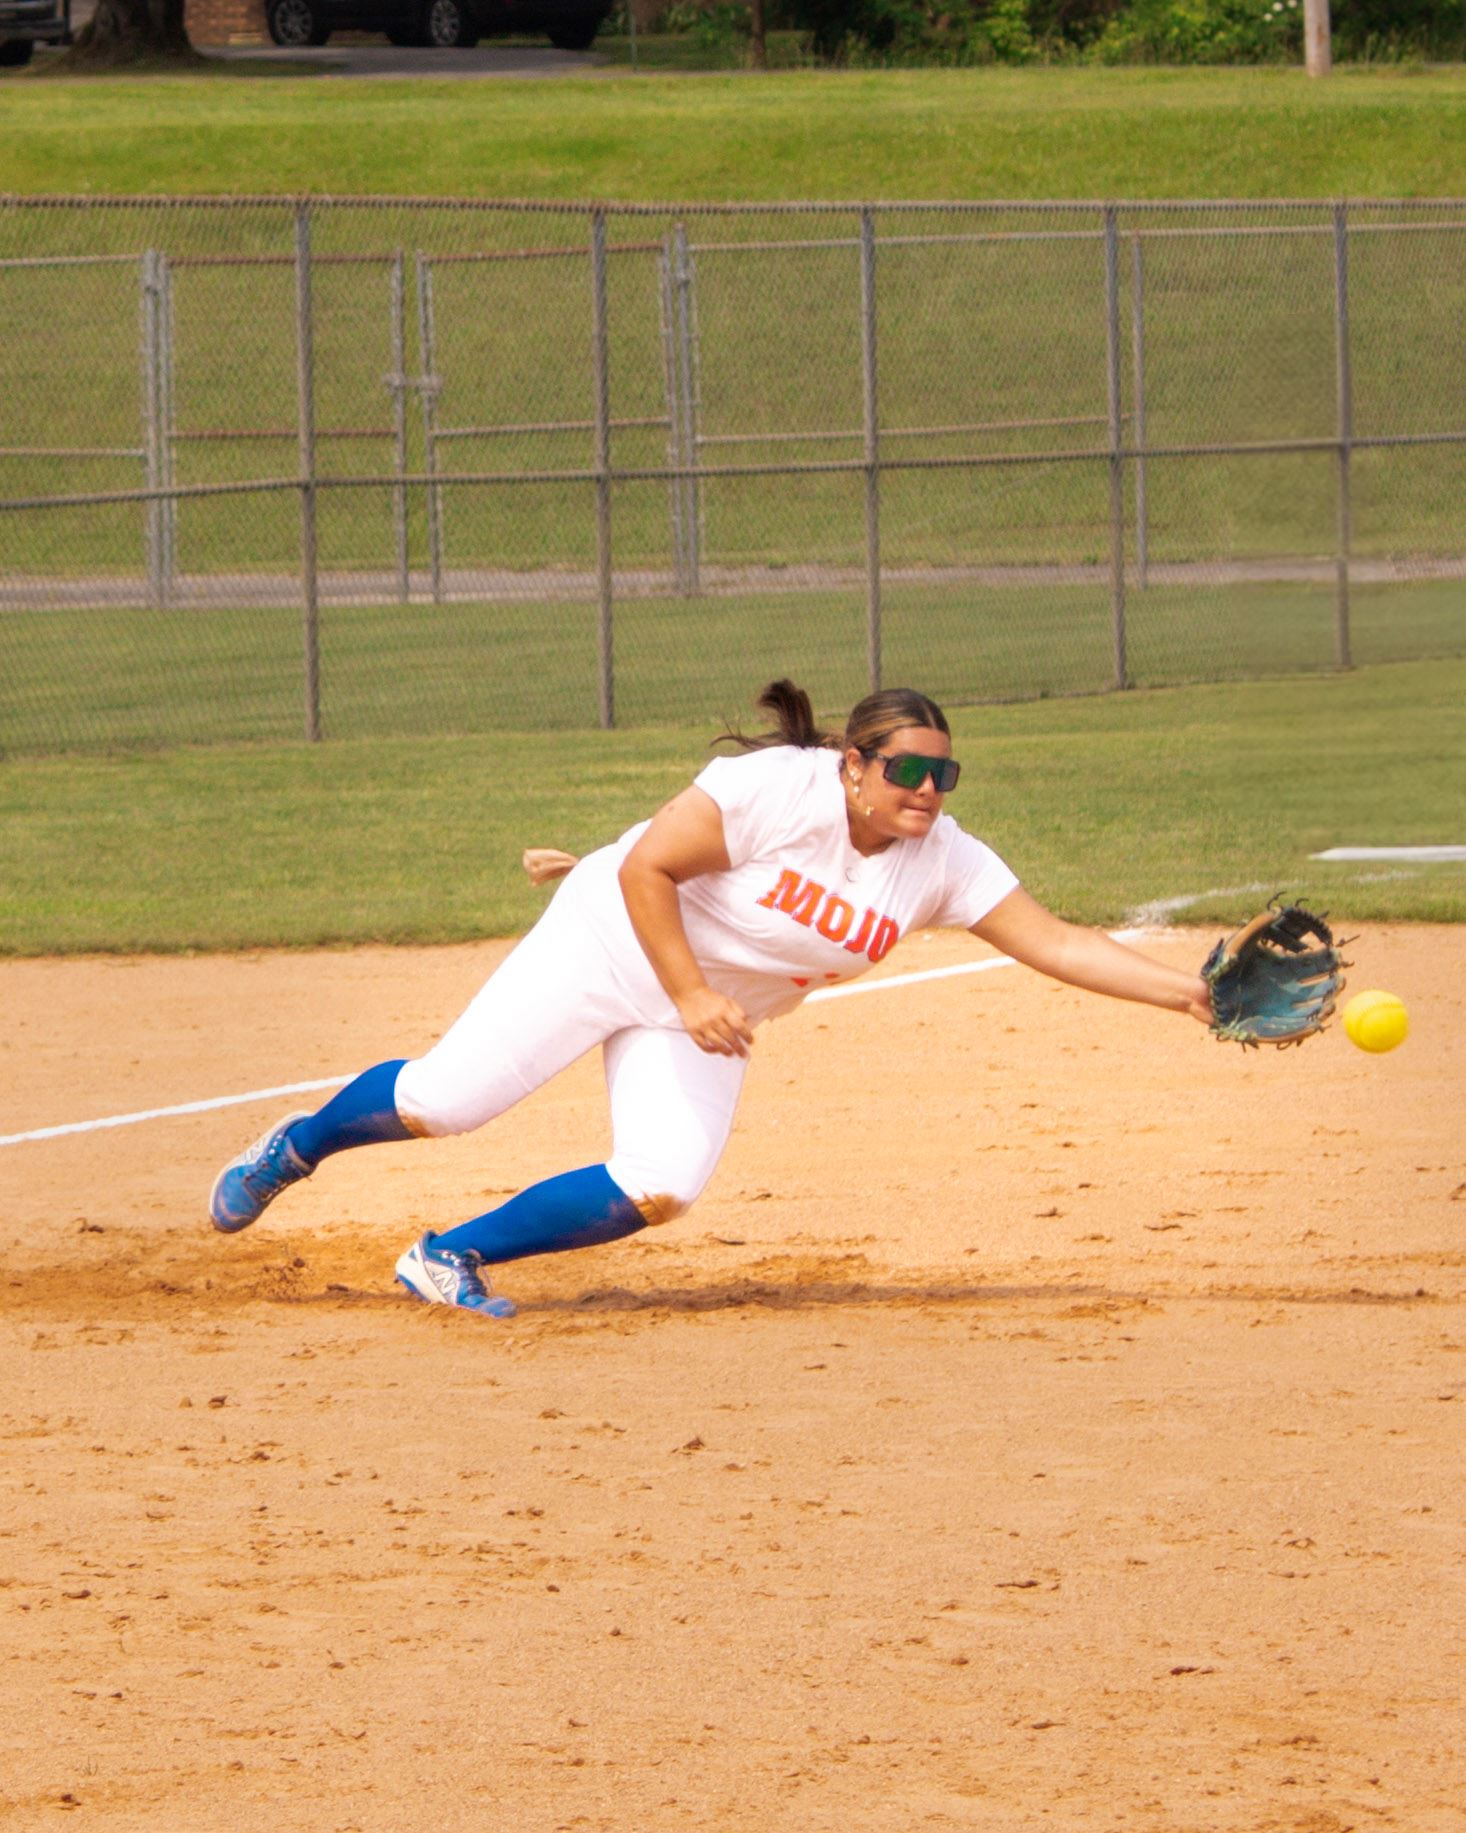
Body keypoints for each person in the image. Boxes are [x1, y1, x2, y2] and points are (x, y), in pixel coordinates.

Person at [209, 680, 1212, 1318]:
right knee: (444, 1103)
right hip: (611, 942)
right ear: (853, 766)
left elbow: (1056, 942)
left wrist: (1189, 999)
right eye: (907, 769)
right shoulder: (780, 788)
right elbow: (646, 867)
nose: (926, 790)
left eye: (942, 773)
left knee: (663, 1183)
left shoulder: (941, 861)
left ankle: (445, 1257)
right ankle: (295, 1147)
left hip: (708, 1009)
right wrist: (687, 992)